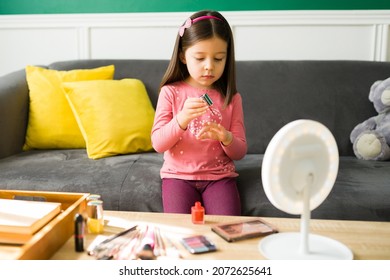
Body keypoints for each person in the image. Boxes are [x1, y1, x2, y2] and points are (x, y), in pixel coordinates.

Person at [151, 10, 247, 216]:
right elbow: (158, 143)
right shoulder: (171, 92)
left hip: (220, 177)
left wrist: (226, 137)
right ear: (183, 56)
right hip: (177, 176)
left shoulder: (231, 98)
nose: (209, 66)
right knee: (180, 230)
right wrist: (182, 119)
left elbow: (240, 152)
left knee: (228, 227)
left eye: (219, 58)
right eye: (200, 58)